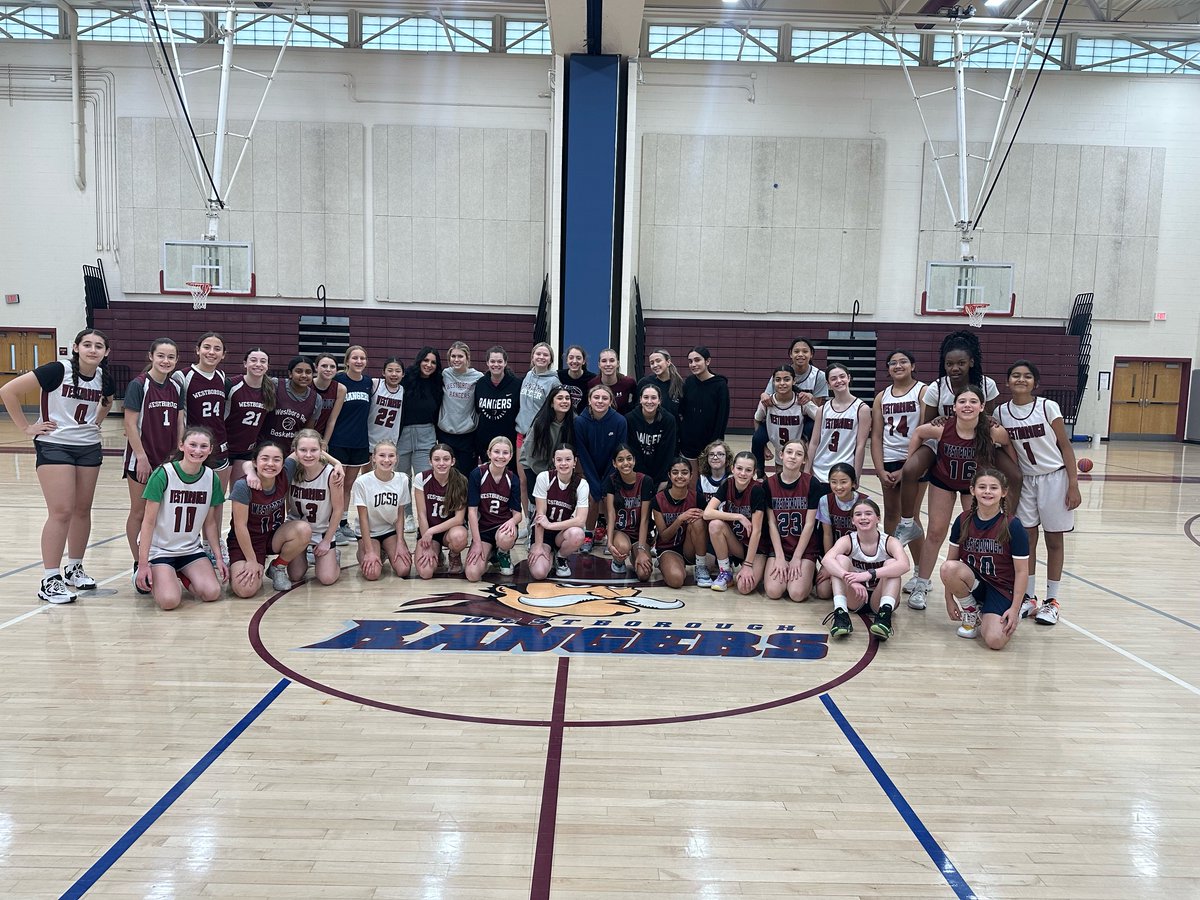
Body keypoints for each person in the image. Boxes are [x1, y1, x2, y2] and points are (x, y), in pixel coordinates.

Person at [0, 328, 115, 603]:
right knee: (61, 511)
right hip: (55, 444)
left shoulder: (103, 377)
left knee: (82, 510)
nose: (92, 350)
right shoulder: (56, 370)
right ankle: (50, 579)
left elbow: (108, 401)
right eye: (87, 344)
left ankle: (74, 568)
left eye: (99, 346)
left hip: (88, 446)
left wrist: (96, 422)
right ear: (75, 347)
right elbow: (8, 391)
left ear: (106, 352)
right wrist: (27, 427)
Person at [899, 386, 1019, 613]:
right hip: (943, 482)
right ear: (953, 407)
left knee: (972, 537)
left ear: (982, 407)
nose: (967, 405)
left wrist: (1006, 473)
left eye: (973, 401)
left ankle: (978, 589)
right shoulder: (943, 427)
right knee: (935, 532)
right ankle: (921, 585)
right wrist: (910, 459)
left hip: (973, 488)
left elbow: (1007, 446)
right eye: (962, 401)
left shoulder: (993, 431)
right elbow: (918, 433)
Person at [996, 359, 1081, 626]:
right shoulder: (1001, 413)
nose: (1021, 380)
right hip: (1026, 483)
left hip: (1055, 478)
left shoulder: (1047, 406)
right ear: (1007, 382)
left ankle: (1052, 601)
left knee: (1054, 541)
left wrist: (1073, 482)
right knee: (1027, 540)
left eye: (1027, 376)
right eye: (1015, 375)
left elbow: (1065, 446)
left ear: (1035, 383)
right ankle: (1029, 597)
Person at [134, 425, 227, 609]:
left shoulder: (211, 478)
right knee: (169, 602)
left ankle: (179, 574)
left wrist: (218, 558)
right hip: (159, 550)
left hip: (190, 549)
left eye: (203, 446)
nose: (197, 450)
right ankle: (155, 574)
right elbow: (148, 522)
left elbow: (209, 524)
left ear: (210, 450)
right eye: (192, 444)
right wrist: (143, 564)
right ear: (182, 446)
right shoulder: (163, 474)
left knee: (212, 593)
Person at [940, 468, 1030, 648]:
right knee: (948, 568)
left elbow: (1021, 571)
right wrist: (948, 599)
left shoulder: (1013, 526)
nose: (987, 491)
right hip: (976, 584)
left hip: (1002, 589)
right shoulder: (963, 520)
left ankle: (1007, 612)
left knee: (995, 641)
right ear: (973, 490)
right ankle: (972, 610)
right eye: (982, 487)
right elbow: (951, 561)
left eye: (993, 488)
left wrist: (1014, 608)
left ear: (1004, 492)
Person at [123, 338, 185, 569]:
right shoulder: (139, 385)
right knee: (139, 512)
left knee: (163, 513)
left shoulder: (177, 387)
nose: (165, 361)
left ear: (177, 360)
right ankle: (138, 562)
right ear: (151, 356)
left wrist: (179, 451)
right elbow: (130, 425)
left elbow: (180, 421)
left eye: (171, 357)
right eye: (161, 356)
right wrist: (141, 457)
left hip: (168, 459)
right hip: (142, 458)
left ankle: (160, 557)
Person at [871, 349, 927, 591]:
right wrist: (880, 468)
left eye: (903, 361)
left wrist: (907, 468)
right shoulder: (881, 397)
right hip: (890, 459)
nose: (898, 365)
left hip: (914, 460)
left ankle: (920, 573)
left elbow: (924, 431)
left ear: (913, 365)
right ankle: (893, 568)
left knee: (911, 517)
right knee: (891, 516)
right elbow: (876, 435)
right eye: (892, 362)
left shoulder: (923, 391)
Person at [227, 440, 312, 598]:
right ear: (255, 462)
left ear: (283, 462)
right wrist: (252, 561)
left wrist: (337, 464)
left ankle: (277, 567)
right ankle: (237, 564)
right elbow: (240, 527)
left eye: (276, 459)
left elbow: (308, 445)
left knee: (303, 529)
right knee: (245, 590)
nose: (270, 464)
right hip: (246, 541)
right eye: (264, 459)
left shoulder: (285, 472)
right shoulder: (243, 486)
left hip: (273, 537)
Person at [821, 498, 910, 641]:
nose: (863, 517)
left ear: (878, 518)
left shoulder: (889, 541)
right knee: (840, 560)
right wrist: (848, 578)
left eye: (868, 514)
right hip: (855, 597)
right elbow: (826, 560)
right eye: (858, 514)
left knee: (893, 564)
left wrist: (869, 574)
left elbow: (905, 565)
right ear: (852, 521)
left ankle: (884, 617)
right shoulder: (848, 540)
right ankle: (841, 614)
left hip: (880, 597)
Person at [174, 332, 231, 539]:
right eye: (207, 347)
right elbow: (178, 415)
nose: (211, 352)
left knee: (217, 500)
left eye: (217, 349)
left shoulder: (223, 378)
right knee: (190, 498)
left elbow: (226, 410)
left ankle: (212, 545)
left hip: (218, 445)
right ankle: (187, 542)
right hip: (194, 448)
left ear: (224, 354)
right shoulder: (183, 376)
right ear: (197, 350)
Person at [752, 337, 828, 476]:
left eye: (805, 351)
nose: (800, 354)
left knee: (812, 428)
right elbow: (767, 396)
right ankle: (760, 473)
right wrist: (764, 395)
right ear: (790, 354)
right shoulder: (782, 372)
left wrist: (809, 397)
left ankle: (811, 459)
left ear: (811, 354)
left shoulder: (819, 376)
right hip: (779, 420)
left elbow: (817, 410)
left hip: (803, 416)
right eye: (796, 351)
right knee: (757, 438)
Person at [286, 429, 345, 587]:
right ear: (295, 451)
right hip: (298, 531)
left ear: (322, 450)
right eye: (303, 450)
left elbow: (339, 509)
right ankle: (304, 555)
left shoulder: (332, 474)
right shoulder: (290, 470)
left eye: (314, 450)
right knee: (295, 575)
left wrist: (326, 541)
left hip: (322, 531)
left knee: (326, 579)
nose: (308, 455)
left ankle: (333, 557)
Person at [763, 439, 819, 603]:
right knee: (774, 592)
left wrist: (796, 558)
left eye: (799, 454)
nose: (793, 457)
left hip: (804, 548)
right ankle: (781, 564)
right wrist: (780, 556)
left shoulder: (812, 483)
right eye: (789, 452)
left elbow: (809, 524)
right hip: (780, 545)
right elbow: (772, 523)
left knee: (796, 594)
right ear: (781, 455)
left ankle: (810, 572)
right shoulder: (769, 484)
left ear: (804, 460)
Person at [703, 450, 766, 594]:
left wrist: (748, 565)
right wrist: (739, 517)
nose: (743, 473)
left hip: (757, 548)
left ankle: (758, 566)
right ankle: (725, 572)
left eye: (748, 470)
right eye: (739, 468)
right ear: (732, 468)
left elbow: (756, 532)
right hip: (737, 543)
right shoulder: (728, 483)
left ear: (754, 472)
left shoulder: (757, 490)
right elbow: (707, 513)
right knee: (715, 525)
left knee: (744, 588)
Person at [574, 384, 628, 552]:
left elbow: (619, 453)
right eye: (596, 397)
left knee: (609, 498)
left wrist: (607, 480)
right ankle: (588, 535)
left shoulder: (620, 421)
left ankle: (609, 538)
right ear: (589, 400)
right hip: (589, 471)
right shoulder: (580, 422)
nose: (600, 401)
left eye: (605, 398)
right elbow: (582, 453)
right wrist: (593, 481)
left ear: (611, 401)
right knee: (592, 496)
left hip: (612, 470)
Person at [396, 346, 443, 534]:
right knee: (403, 478)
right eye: (426, 360)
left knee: (425, 479)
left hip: (426, 435)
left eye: (433, 362)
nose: (429, 365)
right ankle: (407, 515)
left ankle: (428, 516)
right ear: (419, 360)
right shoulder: (406, 378)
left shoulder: (438, 383)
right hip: (403, 435)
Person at [806, 363, 870, 499]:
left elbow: (860, 446)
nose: (839, 381)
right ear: (828, 384)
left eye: (842, 376)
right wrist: (806, 471)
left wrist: (856, 476)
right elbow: (814, 442)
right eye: (834, 378)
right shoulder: (822, 409)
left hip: (844, 472)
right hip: (820, 471)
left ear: (849, 378)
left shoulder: (861, 409)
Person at [328, 345, 372, 543]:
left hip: (360, 441)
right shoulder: (338, 381)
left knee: (348, 485)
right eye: (355, 358)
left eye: (362, 358)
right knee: (335, 485)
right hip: (339, 441)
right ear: (347, 361)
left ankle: (343, 522)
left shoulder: (368, 382)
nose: (359, 361)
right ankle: (332, 524)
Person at [527, 444, 590, 580]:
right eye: (559, 459)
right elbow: (540, 516)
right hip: (542, 533)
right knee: (539, 573)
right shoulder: (544, 478)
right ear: (553, 461)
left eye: (568, 459)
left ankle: (561, 557)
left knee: (578, 534)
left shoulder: (582, 484)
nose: (563, 463)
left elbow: (580, 520)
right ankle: (543, 550)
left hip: (563, 533)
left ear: (575, 462)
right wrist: (538, 546)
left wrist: (550, 525)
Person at [351, 440, 412, 581]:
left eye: (391, 456)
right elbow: (363, 518)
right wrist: (369, 551)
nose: (386, 460)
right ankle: (368, 550)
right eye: (382, 455)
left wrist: (401, 542)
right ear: (374, 458)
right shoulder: (362, 482)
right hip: (369, 533)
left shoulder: (402, 479)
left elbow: (400, 514)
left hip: (389, 531)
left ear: (396, 458)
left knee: (404, 570)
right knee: (372, 574)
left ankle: (384, 550)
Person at [465, 436, 522, 581]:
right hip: (483, 530)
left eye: (505, 453)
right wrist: (477, 543)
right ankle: (491, 553)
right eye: (497, 452)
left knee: (506, 536)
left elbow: (518, 514)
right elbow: (472, 511)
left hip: (502, 528)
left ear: (510, 456)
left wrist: (512, 522)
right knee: (472, 574)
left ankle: (502, 552)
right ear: (489, 453)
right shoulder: (477, 474)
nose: (500, 456)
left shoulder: (512, 479)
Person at [412, 443, 470, 579]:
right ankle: (437, 553)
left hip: (449, 531)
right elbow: (421, 514)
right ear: (430, 461)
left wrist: (431, 531)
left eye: (446, 459)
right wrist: (427, 539)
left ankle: (454, 554)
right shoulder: (421, 478)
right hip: (428, 530)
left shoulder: (460, 481)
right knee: (425, 573)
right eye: (437, 459)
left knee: (460, 537)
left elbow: (459, 519)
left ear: (453, 461)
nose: (441, 463)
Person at [814, 463, 869, 600]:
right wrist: (828, 564)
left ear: (853, 483)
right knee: (823, 592)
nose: (838, 487)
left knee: (854, 594)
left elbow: (868, 538)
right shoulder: (825, 500)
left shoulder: (865, 501)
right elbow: (827, 534)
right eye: (834, 482)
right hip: (834, 554)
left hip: (857, 557)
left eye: (843, 482)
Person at [651, 457, 706, 589]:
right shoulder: (659, 499)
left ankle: (700, 566)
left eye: (684, 472)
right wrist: (680, 519)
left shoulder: (698, 497)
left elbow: (705, 527)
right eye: (675, 472)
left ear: (691, 475)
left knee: (698, 520)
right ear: (669, 475)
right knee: (676, 581)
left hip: (690, 547)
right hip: (669, 547)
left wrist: (705, 515)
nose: (680, 476)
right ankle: (664, 562)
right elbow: (664, 536)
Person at [604, 444, 655, 580]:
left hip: (640, 534)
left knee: (644, 575)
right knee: (622, 546)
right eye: (620, 460)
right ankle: (618, 561)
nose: (625, 463)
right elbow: (610, 514)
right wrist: (609, 543)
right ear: (614, 463)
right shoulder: (611, 481)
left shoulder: (645, 481)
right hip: (621, 532)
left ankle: (635, 555)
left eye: (629, 458)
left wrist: (641, 549)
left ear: (634, 460)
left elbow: (645, 519)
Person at [679, 347, 730, 480]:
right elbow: (683, 411)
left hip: (710, 443)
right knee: (691, 482)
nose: (693, 364)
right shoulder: (689, 382)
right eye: (690, 361)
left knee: (708, 482)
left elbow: (722, 417)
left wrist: (715, 444)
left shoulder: (720, 385)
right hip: (689, 443)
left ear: (707, 361)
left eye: (697, 360)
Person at [754, 367, 817, 470]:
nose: (782, 383)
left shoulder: (802, 401)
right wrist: (763, 445)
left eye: (787, 379)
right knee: (780, 479)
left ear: (794, 381)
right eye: (778, 380)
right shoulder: (767, 402)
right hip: (778, 447)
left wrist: (809, 443)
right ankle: (760, 474)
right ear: (773, 382)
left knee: (798, 479)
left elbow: (820, 418)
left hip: (797, 448)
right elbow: (757, 419)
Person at [437, 341, 483, 476]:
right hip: (446, 432)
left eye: (460, 356)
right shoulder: (445, 374)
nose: (456, 360)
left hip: (467, 434)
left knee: (465, 475)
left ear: (467, 358)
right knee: (446, 474)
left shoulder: (478, 377)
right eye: (453, 356)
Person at [521, 386, 577, 493]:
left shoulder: (574, 422)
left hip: (559, 466)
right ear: (551, 403)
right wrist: (548, 475)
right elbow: (530, 453)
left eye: (567, 398)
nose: (564, 401)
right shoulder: (540, 423)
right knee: (537, 499)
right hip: (534, 465)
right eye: (560, 398)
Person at [693, 439, 733, 588]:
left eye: (720, 454)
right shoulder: (702, 480)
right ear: (706, 458)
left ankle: (728, 562)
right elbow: (701, 510)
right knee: (709, 566)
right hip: (708, 530)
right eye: (712, 454)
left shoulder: (733, 479)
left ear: (727, 458)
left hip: (727, 529)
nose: (715, 457)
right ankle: (703, 563)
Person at [225, 347, 276, 465]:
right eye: (253, 360)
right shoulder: (231, 384)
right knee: (220, 484)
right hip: (225, 447)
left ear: (267, 366)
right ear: (245, 363)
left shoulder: (271, 389)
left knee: (240, 483)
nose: (258, 364)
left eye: (263, 361)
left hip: (247, 449)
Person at [473, 346, 521, 467]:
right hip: (484, 442)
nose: (496, 364)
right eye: (493, 361)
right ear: (487, 363)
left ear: (505, 363)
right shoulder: (480, 384)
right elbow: (477, 410)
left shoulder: (516, 384)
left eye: (499, 361)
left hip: (508, 442)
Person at [625, 382, 677, 490]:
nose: (649, 401)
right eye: (646, 397)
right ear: (640, 400)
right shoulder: (630, 419)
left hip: (660, 474)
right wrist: (640, 478)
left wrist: (663, 479)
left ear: (659, 401)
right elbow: (631, 450)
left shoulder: (668, 420)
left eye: (653, 398)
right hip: (637, 473)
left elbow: (668, 452)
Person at [262, 355, 319, 450]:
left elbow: (307, 432)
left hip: (291, 451)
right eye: (299, 371)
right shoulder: (275, 385)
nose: (304, 375)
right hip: (265, 447)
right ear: (290, 374)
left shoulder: (317, 399)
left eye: (308, 372)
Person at [636, 348, 684, 426]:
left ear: (668, 362)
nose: (655, 365)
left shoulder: (680, 385)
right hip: (648, 432)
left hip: (672, 432)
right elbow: (637, 408)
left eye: (658, 361)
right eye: (652, 363)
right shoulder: (644, 383)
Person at [367, 356, 405, 451]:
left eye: (398, 371)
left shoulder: (402, 390)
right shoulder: (375, 384)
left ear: (403, 374)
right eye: (390, 370)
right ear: (383, 372)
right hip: (369, 439)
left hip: (390, 442)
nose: (394, 374)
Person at [588, 348, 637, 415]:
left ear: (617, 363)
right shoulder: (592, 384)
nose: (608, 364)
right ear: (599, 365)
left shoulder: (629, 382)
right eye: (604, 361)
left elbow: (637, 401)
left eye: (612, 360)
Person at [311, 353, 346, 442]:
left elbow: (332, 420)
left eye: (332, 367)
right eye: (324, 366)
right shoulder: (307, 385)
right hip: (302, 433)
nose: (328, 369)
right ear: (316, 367)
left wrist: (325, 442)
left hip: (322, 435)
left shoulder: (340, 389)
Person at [556, 344, 595, 414]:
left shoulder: (592, 379)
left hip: (583, 420)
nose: (574, 361)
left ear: (583, 361)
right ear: (566, 360)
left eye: (578, 358)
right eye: (571, 358)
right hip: (563, 418)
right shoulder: (558, 376)